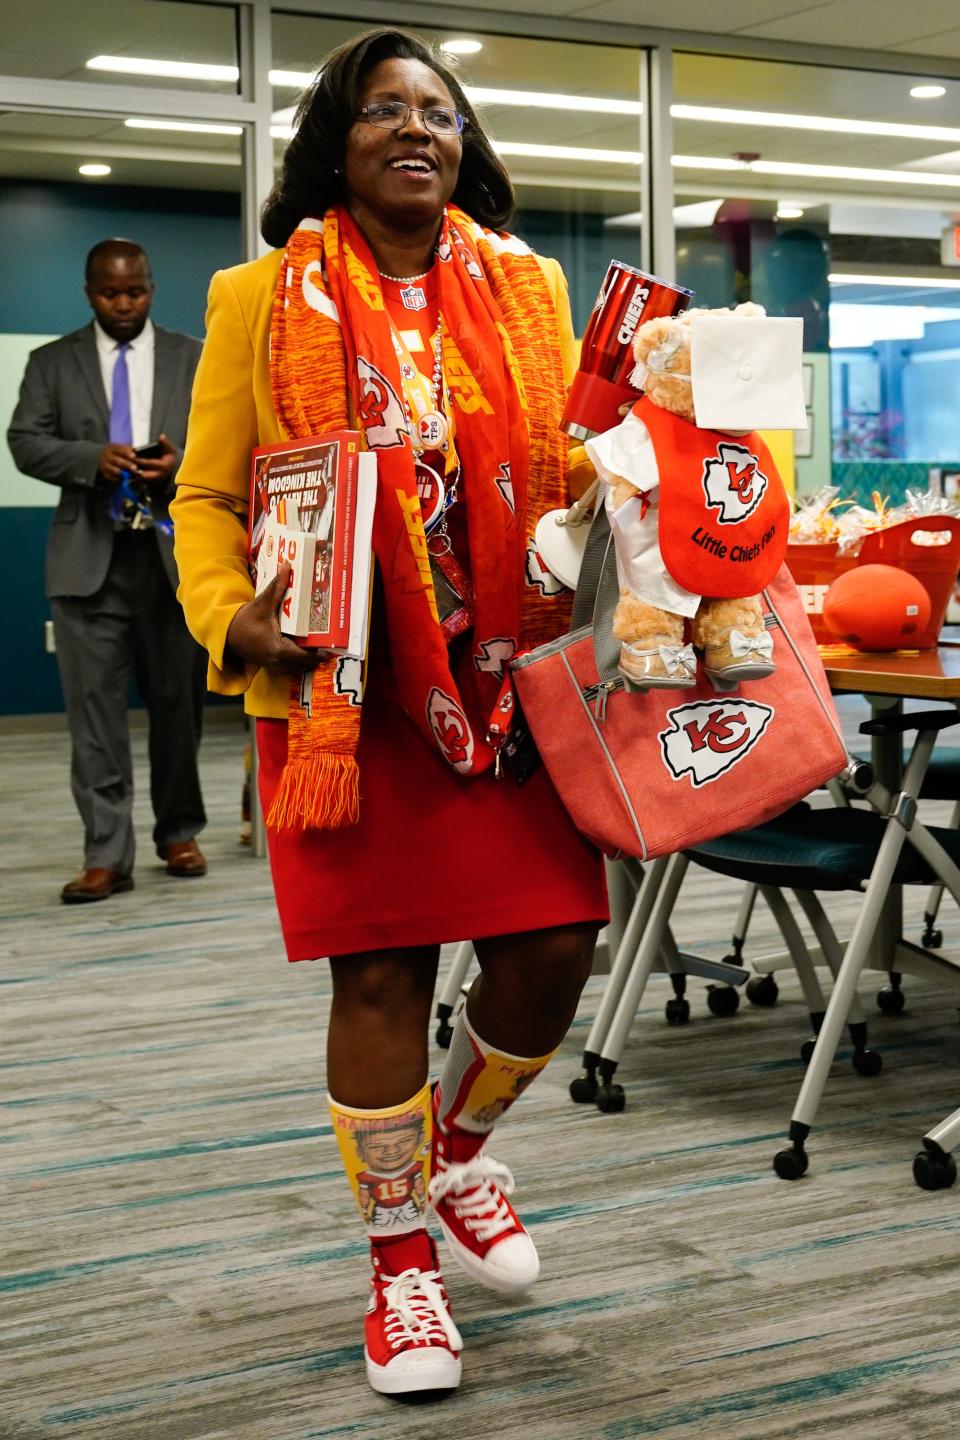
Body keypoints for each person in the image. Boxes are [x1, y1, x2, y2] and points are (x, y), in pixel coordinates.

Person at [171, 27, 608, 1400]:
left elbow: (577, 466)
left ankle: (459, 1153)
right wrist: (226, 613)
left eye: (440, 110)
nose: (416, 128)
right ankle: (399, 1268)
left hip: (509, 686)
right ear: (335, 142)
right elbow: (207, 495)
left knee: (553, 945)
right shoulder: (259, 296)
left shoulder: (533, 291)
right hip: (343, 693)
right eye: (383, 110)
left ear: (468, 144)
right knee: (384, 977)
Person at [8, 239, 209, 902]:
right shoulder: (50, 363)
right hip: (87, 559)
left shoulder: (194, 357)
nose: (124, 304)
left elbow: (228, 437)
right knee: (93, 715)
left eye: (137, 291)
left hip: (173, 560)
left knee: (178, 705)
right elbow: (26, 441)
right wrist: (93, 457)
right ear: (89, 291)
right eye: (110, 293)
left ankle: (179, 831)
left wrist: (182, 466)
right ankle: (106, 854)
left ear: (151, 287)